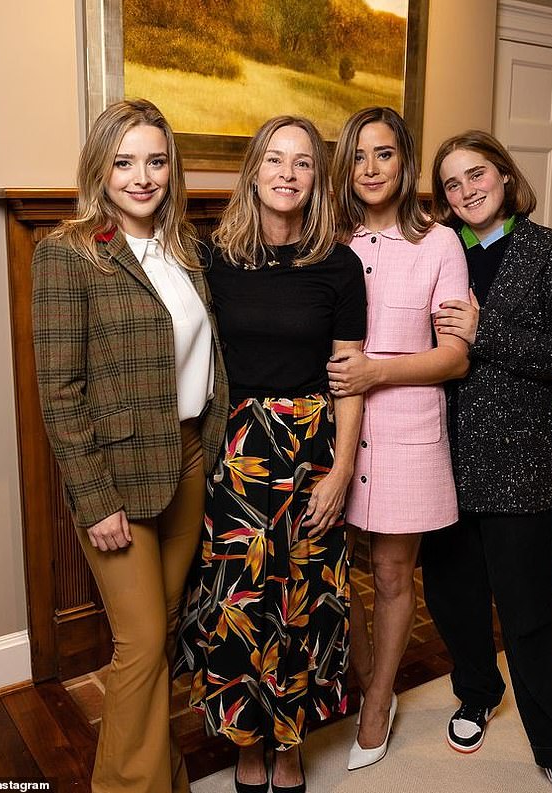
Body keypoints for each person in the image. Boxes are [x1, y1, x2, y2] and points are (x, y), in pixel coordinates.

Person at [31, 98, 228, 793]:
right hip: (116, 476)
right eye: (124, 161)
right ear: (100, 168)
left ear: (171, 168)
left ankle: (162, 774)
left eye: (155, 159)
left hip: (189, 459)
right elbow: (60, 391)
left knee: (161, 635)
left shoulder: (184, 250)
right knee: (141, 642)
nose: (141, 176)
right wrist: (94, 498)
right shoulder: (68, 251)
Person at [175, 116, 366, 793]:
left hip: (313, 450)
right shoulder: (211, 257)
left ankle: (290, 745)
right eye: (275, 159)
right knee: (237, 600)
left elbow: (349, 375)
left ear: (317, 178)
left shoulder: (340, 266)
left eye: (304, 163)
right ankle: (246, 742)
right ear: (253, 170)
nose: (288, 173)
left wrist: (343, 469)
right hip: (234, 454)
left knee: (306, 603)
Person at [421, 130, 552, 793]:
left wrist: (483, 329)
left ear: (503, 175)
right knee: (452, 597)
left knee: (528, 612)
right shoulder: (438, 252)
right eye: (451, 183)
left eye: (476, 174)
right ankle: (476, 689)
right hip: (440, 457)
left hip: (520, 466)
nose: (465, 190)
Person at [327, 106, 470, 771]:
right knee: (327, 565)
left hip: (408, 429)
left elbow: (454, 357)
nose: (370, 168)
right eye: (357, 156)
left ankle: (379, 699)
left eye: (382, 154)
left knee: (389, 571)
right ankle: (359, 671)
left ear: (404, 161)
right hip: (334, 431)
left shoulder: (440, 243)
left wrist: (376, 370)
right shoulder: (333, 241)